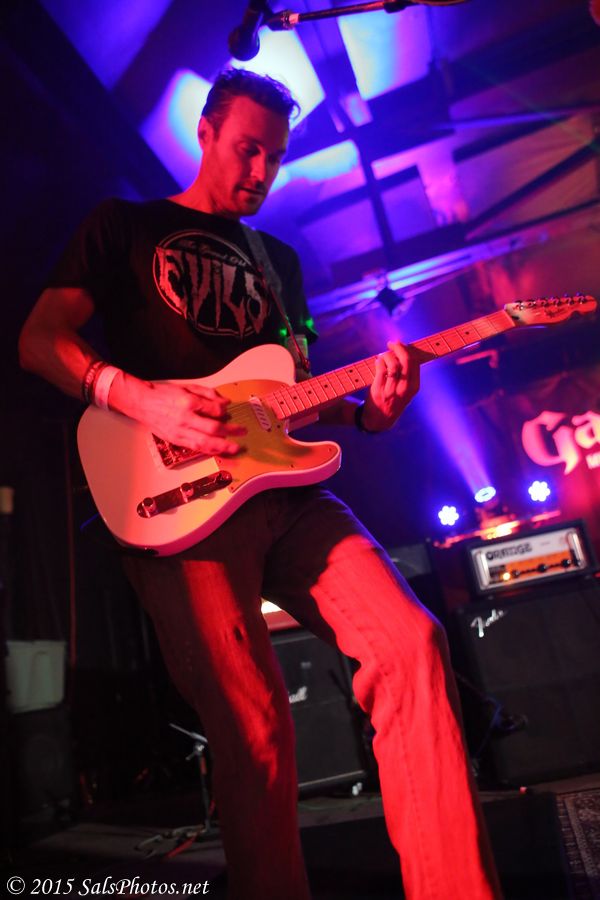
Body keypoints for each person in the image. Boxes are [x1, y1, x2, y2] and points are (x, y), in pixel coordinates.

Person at [19, 69, 502, 900]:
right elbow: (39, 339)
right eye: (247, 150)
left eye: (275, 158)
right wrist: (138, 397)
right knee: (255, 725)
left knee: (410, 644)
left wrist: (372, 412)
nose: (261, 172)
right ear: (205, 132)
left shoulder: (276, 261)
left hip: (287, 493)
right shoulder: (122, 226)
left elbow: (296, 394)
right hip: (177, 505)